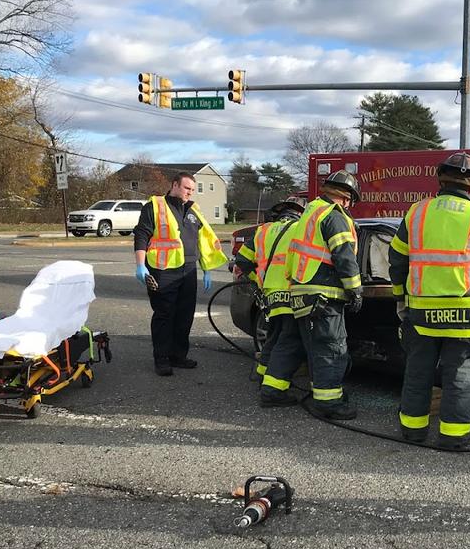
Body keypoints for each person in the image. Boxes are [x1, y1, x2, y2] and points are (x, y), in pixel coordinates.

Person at [389, 152, 470, 449]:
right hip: (464, 314)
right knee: (459, 374)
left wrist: (400, 299)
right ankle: (454, 436)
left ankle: (413, 431)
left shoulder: (416, 212)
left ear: (441, 180)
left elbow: (396, 260)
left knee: (418, 372)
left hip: (420, 312)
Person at [266, 171, 362, 419]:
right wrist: (355, 289)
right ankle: (327, 402)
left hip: (299, 290)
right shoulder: (333, 216)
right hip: (324, 294)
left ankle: (272, 390)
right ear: (347, 197)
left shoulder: (310, 212)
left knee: (291, 342)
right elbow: (344, 256)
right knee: (330, 348)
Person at [133, 172, 228, 376]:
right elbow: (141, 234)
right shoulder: (155, 207)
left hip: (188, 270)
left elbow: (201, 241)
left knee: (184, 315)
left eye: (193, 190)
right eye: (187, 189)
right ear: (175, 185)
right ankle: (162, 359)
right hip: (162, 270)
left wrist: (206, 269)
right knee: (165, 315)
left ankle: (178, 356)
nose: (190, 193)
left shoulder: (193, 210)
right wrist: (140, 264)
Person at [233, 197, 305, 385]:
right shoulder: (301, 229)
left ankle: (261, 372)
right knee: (288, 340)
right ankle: (273, 388)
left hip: (270, 292)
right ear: (300, 213)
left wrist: (258, 279)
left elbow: (242, 261)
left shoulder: (262, 231)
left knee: (274, 334)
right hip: (292, 290)